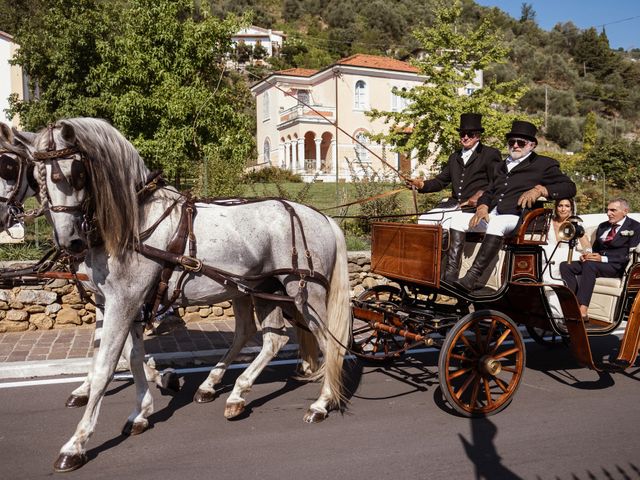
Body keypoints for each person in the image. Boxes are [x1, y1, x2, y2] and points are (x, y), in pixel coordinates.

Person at [445, 120, 576, 290]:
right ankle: (450, 275)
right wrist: (482, 206)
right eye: (511, 142)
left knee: (498, 223)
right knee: (456, 220)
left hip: (518, 218)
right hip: (493, 214)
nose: (515, 145)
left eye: (520, 142)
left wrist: (541, 190)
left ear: (532, 145)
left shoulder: (544, 164)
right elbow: (489, 192)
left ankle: (472, 276)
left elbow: (570, 187)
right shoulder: (500, 166)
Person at [406, 113, 502, 229]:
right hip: (454, 205)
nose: (465, 137)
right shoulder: (454, 157)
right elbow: (441, 181)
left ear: (478, 136)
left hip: (475, 207)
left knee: (449, 222)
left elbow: (497, 182)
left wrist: (482, 194)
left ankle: (446, 247)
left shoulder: (490, 154)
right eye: (462, 134)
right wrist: (421, 184)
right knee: (424, 219)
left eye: (470, 134)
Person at [560, 197, 640, 320]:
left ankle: (582, 310)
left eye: (613, 210)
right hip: (598, 263)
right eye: (608, 210)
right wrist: (588, 255)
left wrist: (603, 258)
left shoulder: (635, 227)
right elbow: (595, 249)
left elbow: (627, 255)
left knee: (590, 265)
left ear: (625, 211)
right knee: (566, 266)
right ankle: (572, 303)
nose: (609, 213)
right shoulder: (603, 226)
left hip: (618, 265)